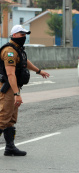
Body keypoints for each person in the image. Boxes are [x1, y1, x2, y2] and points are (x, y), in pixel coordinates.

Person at [0, 25, 50, 156]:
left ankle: (10, 148)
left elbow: (24, 61)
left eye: (25, 34)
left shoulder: (18, 50)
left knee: (11, 118)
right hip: (7, 88)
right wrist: (17, 94)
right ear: (14, 35)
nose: (24, 37)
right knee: (3, 118)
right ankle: (9, 147)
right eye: (22, 34)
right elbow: (10, 74)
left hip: (13, 87)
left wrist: (38, 71)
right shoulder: (9, 51)